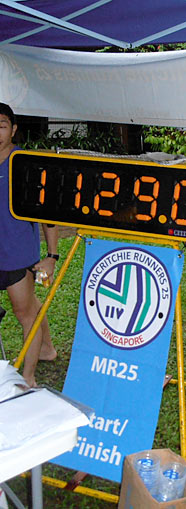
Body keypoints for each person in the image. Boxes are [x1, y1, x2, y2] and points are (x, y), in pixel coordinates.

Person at [0, 102, 58, 387]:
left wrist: (52, 256)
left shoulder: (24, 164)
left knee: (25, 313)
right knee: (30, 306)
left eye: (1, 126)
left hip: (18, 255)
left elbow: (47, 215)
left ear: (14, 129)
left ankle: (29, 377)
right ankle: (46, 349)